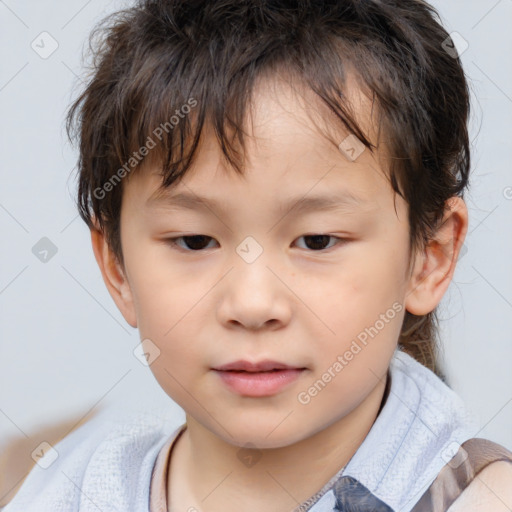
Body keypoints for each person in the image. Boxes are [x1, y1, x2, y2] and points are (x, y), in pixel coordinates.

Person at [4, 1, 512, 511]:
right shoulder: (62, 492)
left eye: (316, 241)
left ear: (429, 256)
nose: (252, 304)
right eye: (194, 241)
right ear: (117, 267)